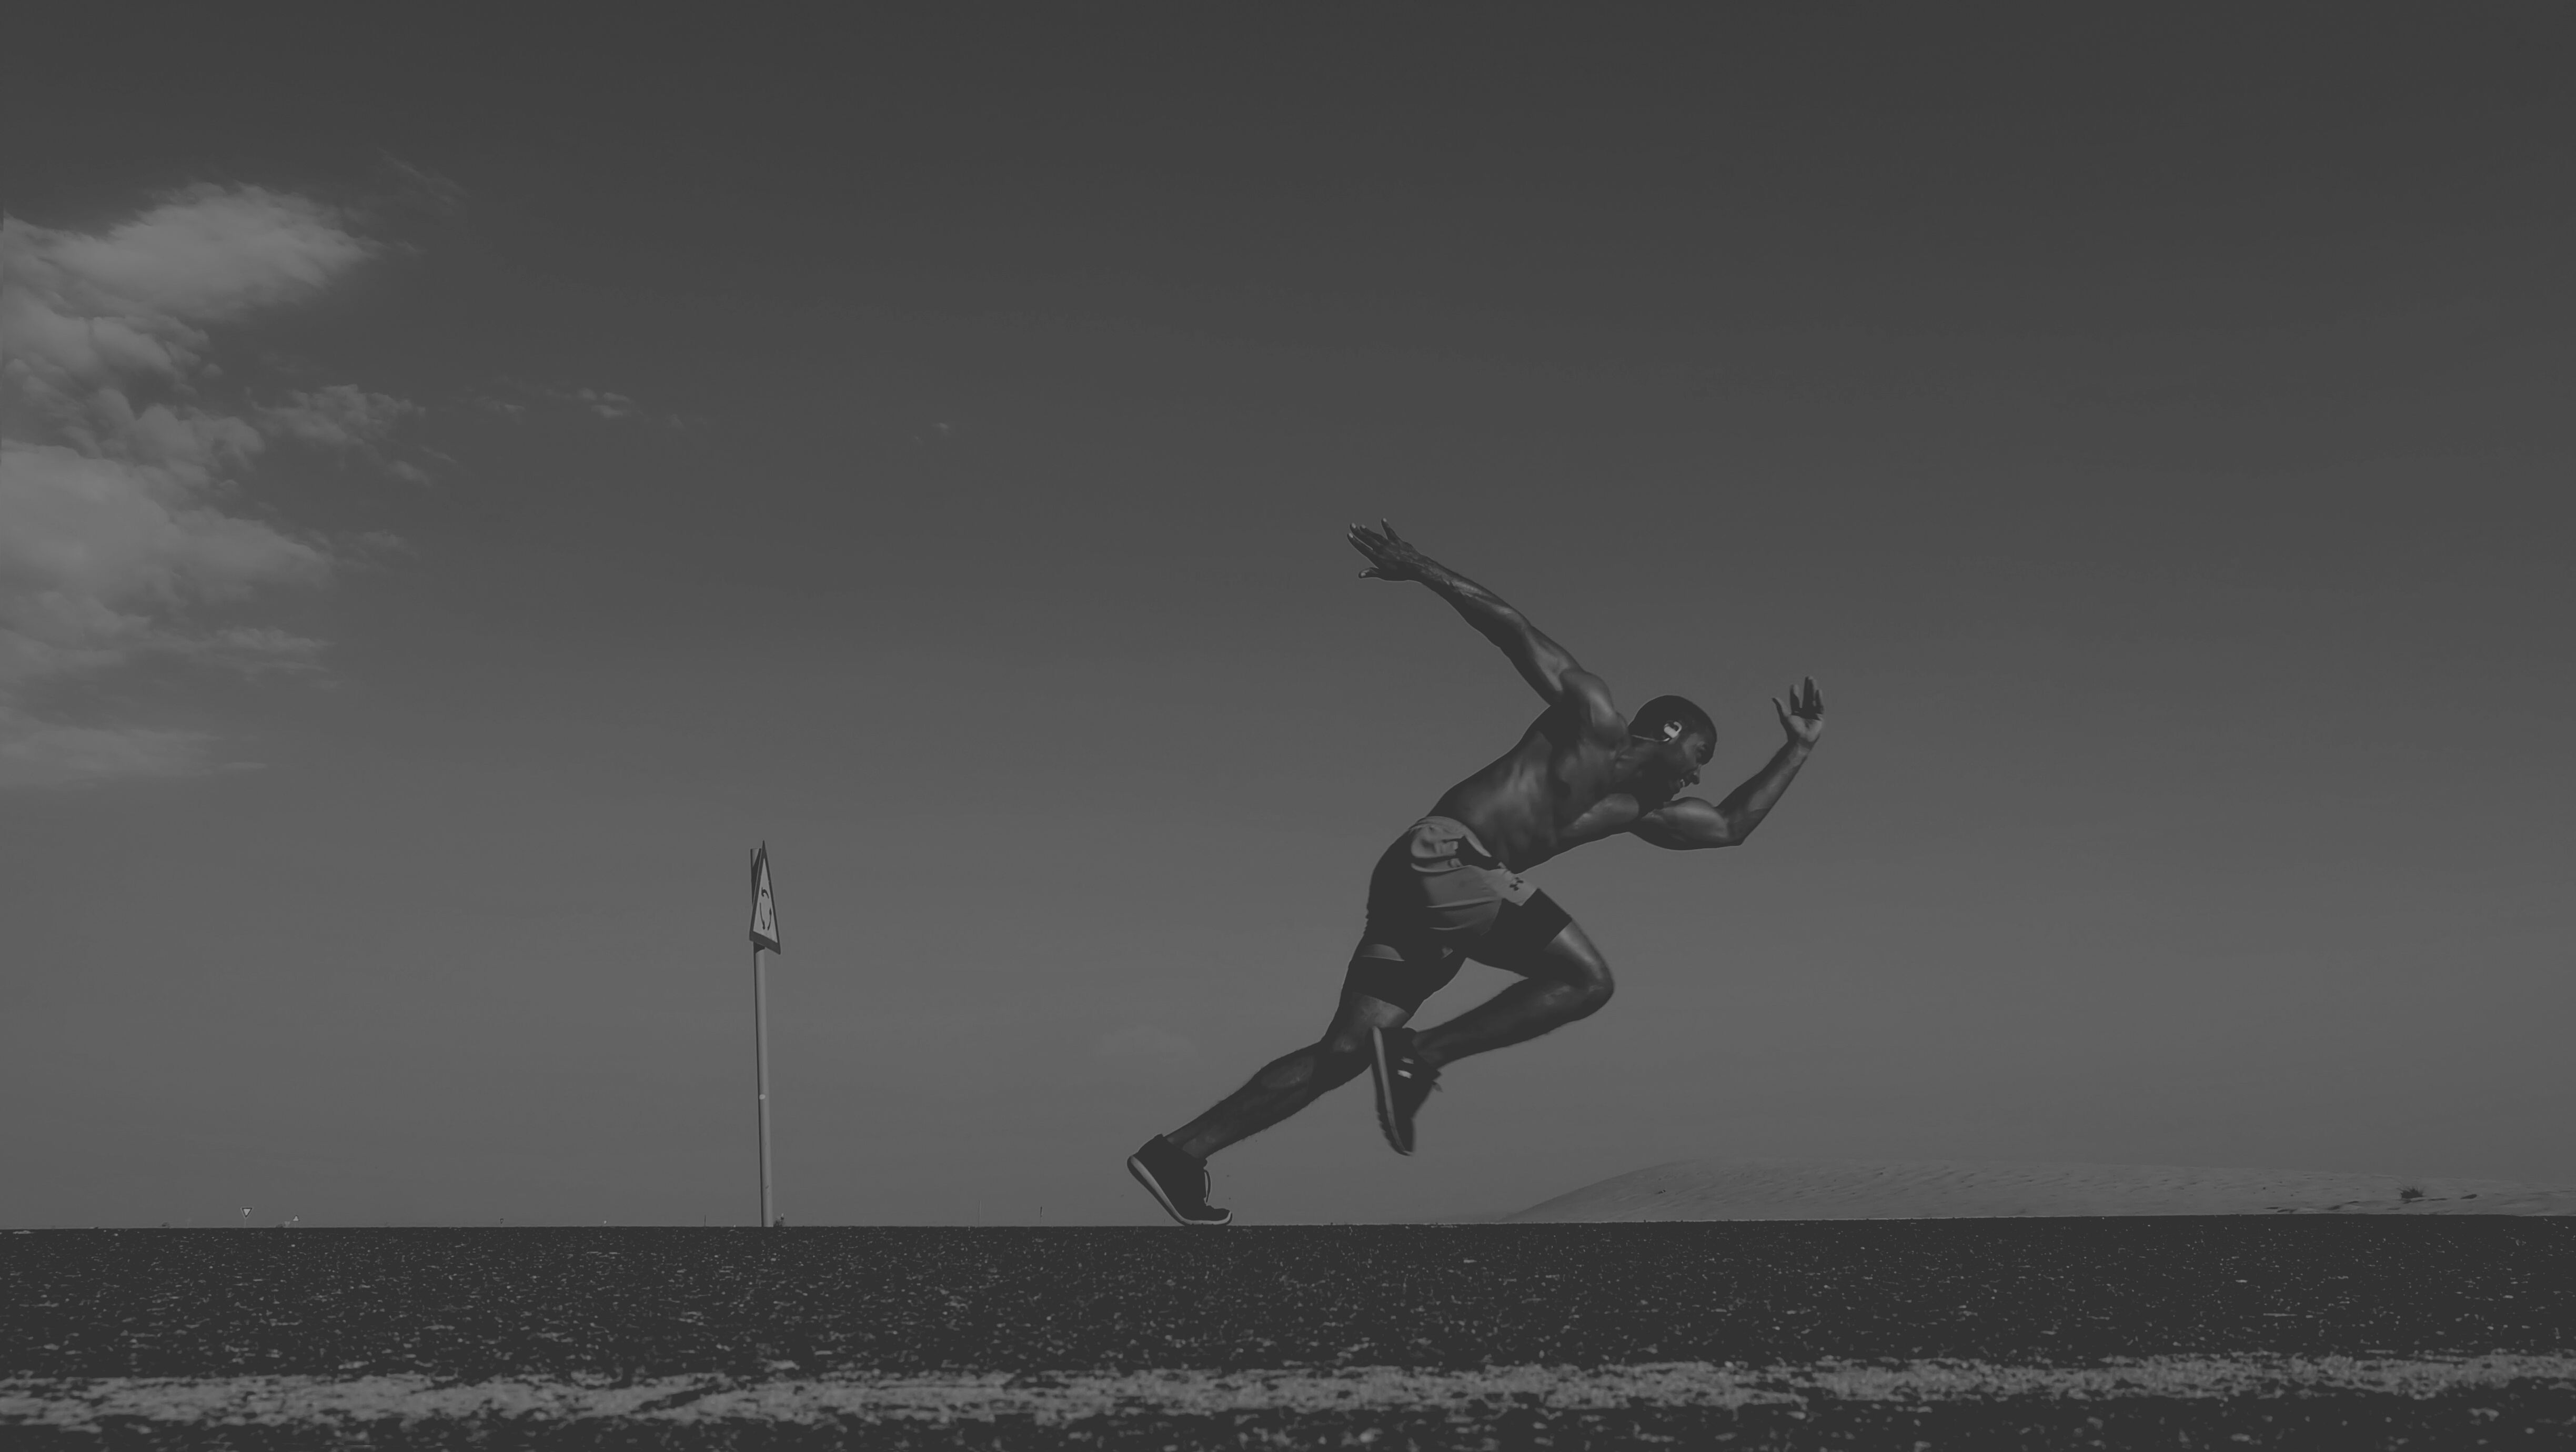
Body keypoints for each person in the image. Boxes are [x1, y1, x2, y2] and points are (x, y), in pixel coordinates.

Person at [1127, 521, 1825, 1226]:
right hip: (1444, 857)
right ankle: (1419, 1057)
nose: (1702, 773)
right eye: (1701, 754)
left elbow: (1732, 826)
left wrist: (1796, 753)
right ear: (1671, 736)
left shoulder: (1632, 809)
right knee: (1587, 980)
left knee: (1342, 1053)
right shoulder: (1591, 714)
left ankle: (1180, 1154)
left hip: (1437, 897)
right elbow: (1510, 628)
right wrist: (1422, 569)